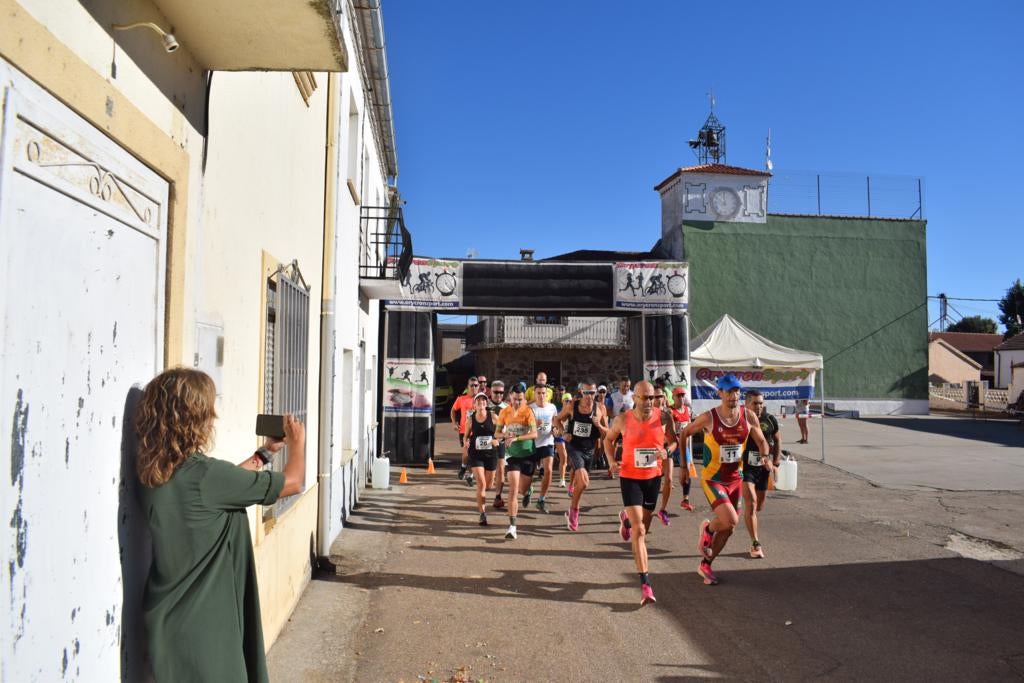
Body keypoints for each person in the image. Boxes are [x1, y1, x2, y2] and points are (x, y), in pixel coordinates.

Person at [134, 368, 306, 682]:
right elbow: (293, 483)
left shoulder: (154, 471)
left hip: (168, 623)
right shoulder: (205, 476)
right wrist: (297, 443)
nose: (213, 418)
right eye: (208, 411)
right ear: (193, 419)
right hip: (206, 632)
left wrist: (264, 454)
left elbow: (221, 488)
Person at [681, 374, 772, 586]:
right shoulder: (709, 418)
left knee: (729, 528)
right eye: (729, 391)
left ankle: (706, 564)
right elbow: (685, 433)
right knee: (731, 519)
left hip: (735, 479)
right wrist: (684, 467)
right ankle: (708, 530)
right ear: (719, 393)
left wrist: (766, 457)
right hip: (713, 479)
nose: (734, 395)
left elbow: (762, 441)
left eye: (737, 391)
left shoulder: (748, 416)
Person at [603, 381, 674, 606]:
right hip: (630, 478)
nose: (648, 402)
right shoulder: (623, 420)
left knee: (643, 525)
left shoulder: (663, 417)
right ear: (635, 398)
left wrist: (667, 451)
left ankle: (625, 522)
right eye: (644, 398)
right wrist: (612, 460)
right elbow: (608, 439)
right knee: (640, 530)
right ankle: (645, 583)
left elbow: (674, 442)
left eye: (651, 398)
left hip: (653, 479)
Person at [554, 379, 607, 531]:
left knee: (582, 483)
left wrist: (599, 425)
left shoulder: (600, 409)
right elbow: (557, 420)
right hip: (574, 447)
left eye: (592, 392)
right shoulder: (572, 406)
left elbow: (608, 434)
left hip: (589, 450)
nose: (590, 396)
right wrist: (564, 433)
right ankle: (574, 511)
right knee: (583, 482)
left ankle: (572, 507)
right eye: (586, 392)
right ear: (581, 392)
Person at [495, 383, 538, 539]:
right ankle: (512, 526)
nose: (518, 402)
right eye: (515, 399)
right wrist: (506, 436)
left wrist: (516, 437)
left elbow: (534, 434)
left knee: (522, 490)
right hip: (512, 455)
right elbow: (497, 433)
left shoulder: (528, 412)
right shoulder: (504, 412)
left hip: (528, 454)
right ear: (510, 397)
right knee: (513, 489)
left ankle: (529, 491)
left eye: (520, 399)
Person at [742, 390, 781, 558]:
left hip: (764, 468)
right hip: (746, 467)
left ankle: (749, 515)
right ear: (747, 404)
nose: (759, 406)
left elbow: (778, 439)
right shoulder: (740, 420)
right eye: (755, 403)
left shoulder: (770, 420)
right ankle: (755, 543)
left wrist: (776, 462)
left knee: (759, 505)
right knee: (751, 502)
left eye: (761, 403)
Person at [463, 392, 500, 526]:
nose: (481, 403)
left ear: (486, 403)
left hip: (491, 454)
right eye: (478, 401)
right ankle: (482, 514)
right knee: (481, 484)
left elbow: (503, 429)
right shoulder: (470, 419)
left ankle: (482, 504)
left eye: (483, 400)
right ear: (475, 404)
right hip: (476, 454)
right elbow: (466, 436)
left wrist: (497, 439)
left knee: (489, 485)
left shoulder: (493, 416)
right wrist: (466, 441)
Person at [530, 381, 558, 513]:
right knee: (528, 474)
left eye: (543, 393)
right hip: (532, 444)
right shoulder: (530, 408)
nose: (541, 396)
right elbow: (524, 427)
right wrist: (534, 423)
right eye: (539, 393)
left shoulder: (552, 407)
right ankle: (528, 489)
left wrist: (555, 430)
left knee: (549, 470)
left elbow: (555, 423)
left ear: (547, 395)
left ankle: (541, 499)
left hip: (548, 442)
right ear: (534, 394)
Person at [651, 382, 677, 526]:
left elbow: (673, 435)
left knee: (669, 480)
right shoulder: (644, 413)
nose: (657, 399)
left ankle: (663, 510)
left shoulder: (667, 413)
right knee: (650, 485)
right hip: (651, 452)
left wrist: (668, 448)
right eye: (654, 397)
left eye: (660, 396)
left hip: (665, 450)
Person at [671, 387, 695, 512]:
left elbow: (690, 426)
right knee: (662, 471)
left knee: (687, 472)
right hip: (673, 444)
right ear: (673, 397)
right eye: (678, 396)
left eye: (682, 395)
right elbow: (670, 431)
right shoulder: (671, 411)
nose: (681, 398)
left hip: (684, 445)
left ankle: (685, 499)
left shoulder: (687, 410)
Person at [452, 377, 479, 481]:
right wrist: (454, 423)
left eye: (476, 385)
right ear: (467, 387)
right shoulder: (462, 399)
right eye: (471, 385)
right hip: (464, 431)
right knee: (467, 452)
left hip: (478, 431)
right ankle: (463, 467)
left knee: (474, 454)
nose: (474, 387)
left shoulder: (481, 400)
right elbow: (453, 410)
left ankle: (471, 476)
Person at [487, 380, 509, 509]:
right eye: (496, 392)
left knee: (501, 469)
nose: (499, 395)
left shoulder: (507, 408)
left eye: (501, 392)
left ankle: (498, 496)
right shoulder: (484, 404)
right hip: (486, 443)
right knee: (488, 478)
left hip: (500, 441)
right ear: (491, 391)